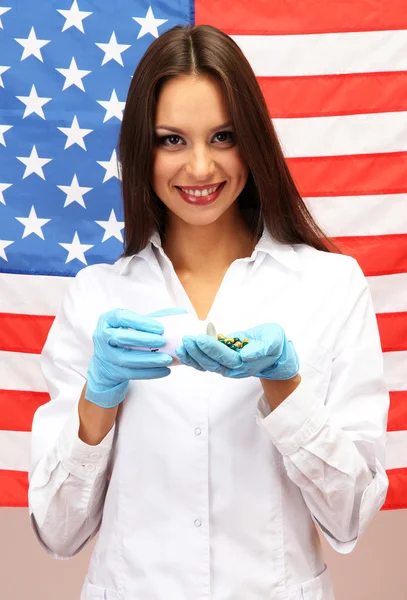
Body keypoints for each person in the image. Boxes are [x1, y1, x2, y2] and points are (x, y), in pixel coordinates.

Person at [28, 24, 389, 600]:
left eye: (223, 136)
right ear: (140, 149)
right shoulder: (95, 297)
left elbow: (349, 520)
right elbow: (58, 533)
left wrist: (286, 387)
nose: (200, 167)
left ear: (253, 139)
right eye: (172, 139)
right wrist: (97, 403)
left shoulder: (330, 286)